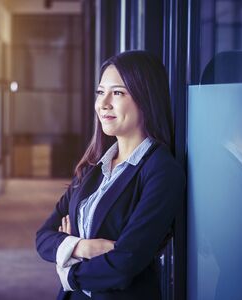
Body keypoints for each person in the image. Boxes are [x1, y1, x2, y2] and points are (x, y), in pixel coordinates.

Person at [35, 50, 185, 300]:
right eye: (100, 92)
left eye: (117, 93)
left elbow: (124, 263)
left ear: (145, 98)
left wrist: (68, 272)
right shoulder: (94, 165)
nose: (103, 103)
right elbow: (43, 237)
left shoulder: (161, 170)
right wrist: (82, 246)